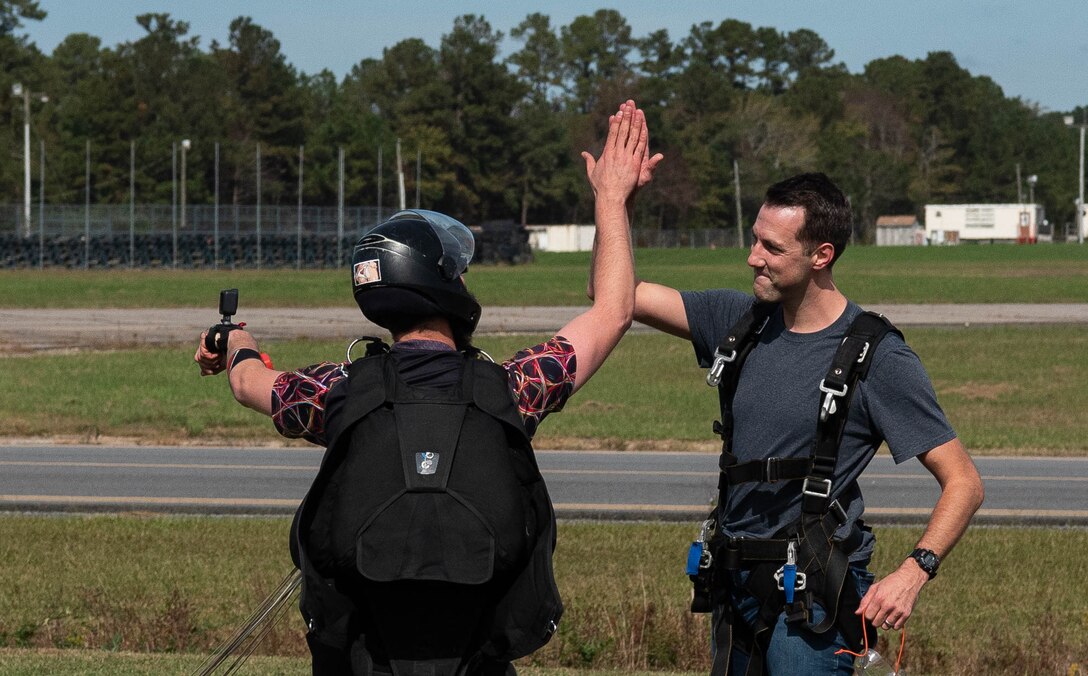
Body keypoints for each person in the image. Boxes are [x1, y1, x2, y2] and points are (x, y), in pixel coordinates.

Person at [194, 100, 661, 675]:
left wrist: (233, 339)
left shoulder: (336, 393)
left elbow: (247, 382)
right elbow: (614, 311)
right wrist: (612, 201)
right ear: (444, 287)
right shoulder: (514, 387)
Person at [629, 172, 984, 675]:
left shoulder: (877, 356)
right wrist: (615, 202)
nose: (753, 256)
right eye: (755, 239)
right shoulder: (740, 321)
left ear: (821, 255)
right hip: (735, 586)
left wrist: (914, 571)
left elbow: (964, 482)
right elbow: (614, 294)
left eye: (771, 247)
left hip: (814, 600)